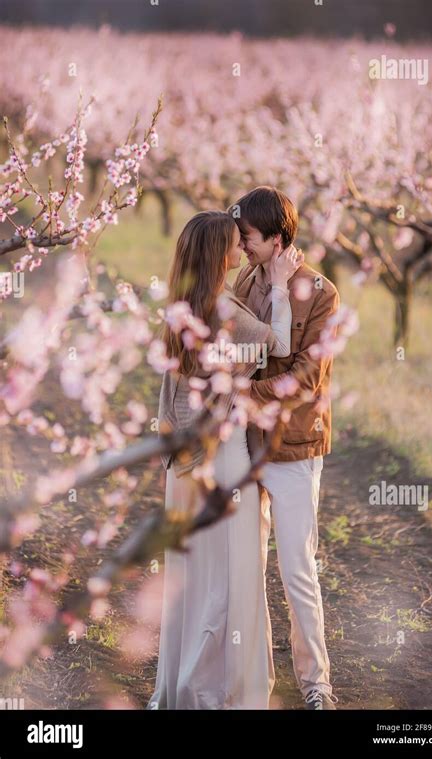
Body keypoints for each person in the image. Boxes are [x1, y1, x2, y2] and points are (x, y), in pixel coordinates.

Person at [147, 210, 301, 709]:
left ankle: (181, 684)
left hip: (183, 463)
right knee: (230, 578)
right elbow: (279, 343)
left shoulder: (181, 304)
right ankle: (219, 690)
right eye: (235, 246)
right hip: (224, 459)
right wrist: (277, 285)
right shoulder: (225, 310)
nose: (240, 254)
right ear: (219, 254)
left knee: (190, 579)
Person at [231, 186, 340, 710]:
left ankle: (316, 684)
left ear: (276, 239)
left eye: (249, 237)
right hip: (246, 447)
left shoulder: (321, 292)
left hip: (295, 448)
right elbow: (239, 350)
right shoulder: (247, 279)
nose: (241, 245)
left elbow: (306, 377)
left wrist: (242, 395)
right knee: (247, 565)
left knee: (297, 567)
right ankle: (258, 681)